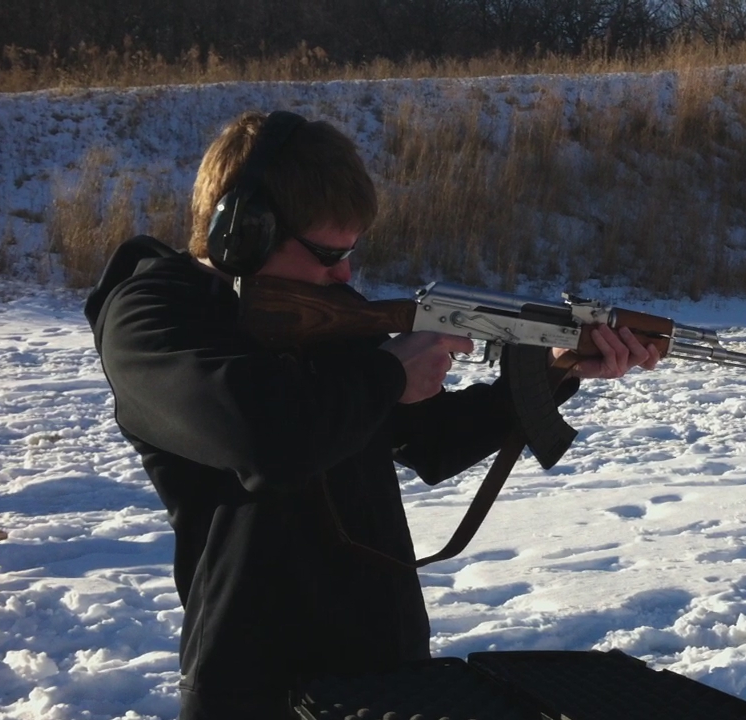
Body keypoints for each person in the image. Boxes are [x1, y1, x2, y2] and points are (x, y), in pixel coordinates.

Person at [83, 110, 659, 719]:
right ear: (242, 232)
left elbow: (429, 439)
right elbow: (265, 438)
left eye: (352, 251)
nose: (345, 273)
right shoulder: (150, 315)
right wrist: (388, 373)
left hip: (387, 666)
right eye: (328, 253)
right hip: (254, 679)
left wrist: (555, 370)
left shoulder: (325, 312)